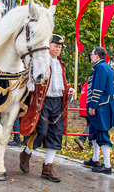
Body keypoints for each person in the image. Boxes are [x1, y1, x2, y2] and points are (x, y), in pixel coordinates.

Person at [19, 33, 75, 182]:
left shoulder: (60, 63)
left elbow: (61, 82)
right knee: (41, 132)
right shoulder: (41, 62)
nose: (58, 49)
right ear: (48, 46)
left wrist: (69, 88)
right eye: (55, 46)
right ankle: (26, 153)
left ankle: (48, 167)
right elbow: (31, 83)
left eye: (60, 47)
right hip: (43, 102)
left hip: (58, 102)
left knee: (55, 135)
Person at [83, 46, 114, 175]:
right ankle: (95, 159)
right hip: (101, 105)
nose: (90, 56)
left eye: (91, 54)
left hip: (101, 105)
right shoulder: (102, 67)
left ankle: (107, 166)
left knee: (102, 133)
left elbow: (98, 88)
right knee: (94, 132)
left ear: (97, 56)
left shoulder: (101, 68)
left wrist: (93, 105)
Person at [74, 81, 92, 150]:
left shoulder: (85, 84)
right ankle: (81, 138)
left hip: (83, 108)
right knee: (93, 125)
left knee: (89, 125)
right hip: (89, 107)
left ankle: (91, 144)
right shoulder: (93, 83)